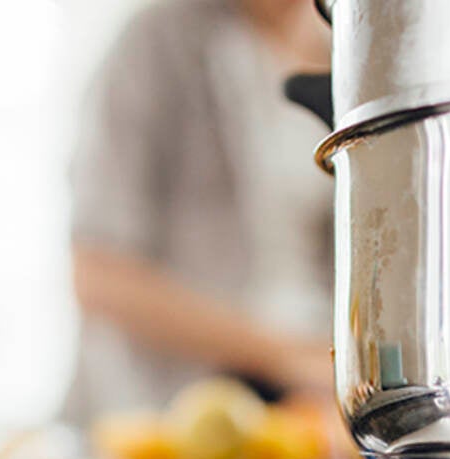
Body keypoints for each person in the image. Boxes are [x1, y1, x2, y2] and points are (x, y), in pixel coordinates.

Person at [68, 0, 335, 422]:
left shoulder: (345, 48)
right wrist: (289, 357)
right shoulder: (155, 42)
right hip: (171, 410)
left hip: (309, 405)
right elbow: (98, 274)